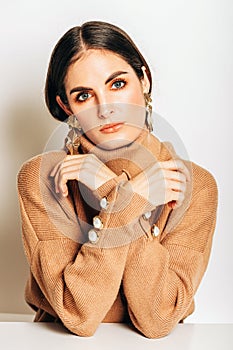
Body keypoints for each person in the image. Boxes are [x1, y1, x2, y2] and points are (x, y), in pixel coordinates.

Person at [17, 20, 218, 338]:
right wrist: (129, 197)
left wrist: (112, 192)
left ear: (144, 80)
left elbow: (157, 319)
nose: (105, 108)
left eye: (117, 84)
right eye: (84, 96)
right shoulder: (43, 179)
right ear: (66, 106)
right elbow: (78, 314)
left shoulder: (194, 185)